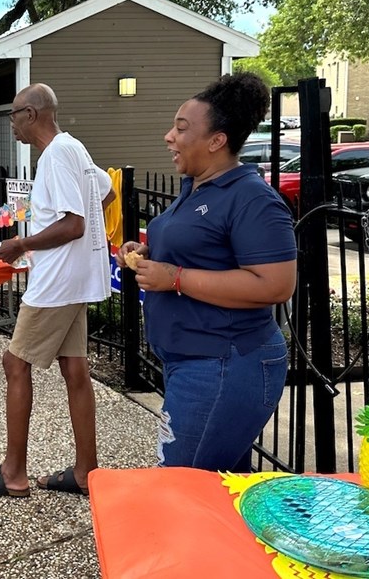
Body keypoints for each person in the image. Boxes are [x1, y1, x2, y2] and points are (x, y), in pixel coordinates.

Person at [117, 72, 297, 472]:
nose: (169, 136)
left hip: (225, 363)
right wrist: (147, 252)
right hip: (193, 361)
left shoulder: (253, 199)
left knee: (180, 487)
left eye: (181, 129)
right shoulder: (195, 187)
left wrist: (174, 277)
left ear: (216, 141)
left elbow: (276, 284)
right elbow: (202, 251)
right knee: (225, 487)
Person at [0, 83, 114, 498]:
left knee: (14, 363)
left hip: (55, 283)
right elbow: (108, 192)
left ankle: (13, 472)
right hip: (76, 279)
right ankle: (87, 472)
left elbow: (74, 224)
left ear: (31, 115)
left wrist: (21, 244)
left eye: (12, 114)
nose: (10, 123)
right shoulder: (75, 149)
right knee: (75, 370)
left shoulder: (55, 156)